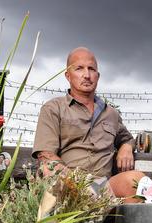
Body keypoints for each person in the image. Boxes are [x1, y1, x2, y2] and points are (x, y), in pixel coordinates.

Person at [32, 47, 145, 202]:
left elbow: (127, 138)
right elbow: (47, 158)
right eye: (79, 68)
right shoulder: (53, 108)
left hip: (104, 189)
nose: (87, 75)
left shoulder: (110, 114)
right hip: (68, 186)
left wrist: (126, 147)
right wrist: (78, 186)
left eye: (91, 69)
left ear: (97, 76)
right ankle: (75, 219)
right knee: (51, 173)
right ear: (68, 75)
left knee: (137, 182)